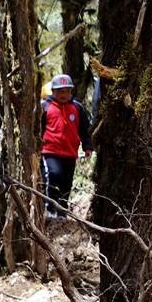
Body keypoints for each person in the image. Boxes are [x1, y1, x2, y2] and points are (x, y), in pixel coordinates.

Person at [39, 74, 93, 219]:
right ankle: (49, 208)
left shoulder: (77, 108)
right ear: (53, 92)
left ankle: (62, 211)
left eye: (67, 91)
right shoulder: (45, 107)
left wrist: (87, 146)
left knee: (66, 184)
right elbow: (37, 128)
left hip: (69, 153)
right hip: (49, 151)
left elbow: (84, 129)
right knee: (53, 175)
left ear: (71, 91)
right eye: (60, 91)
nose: (63, 94)